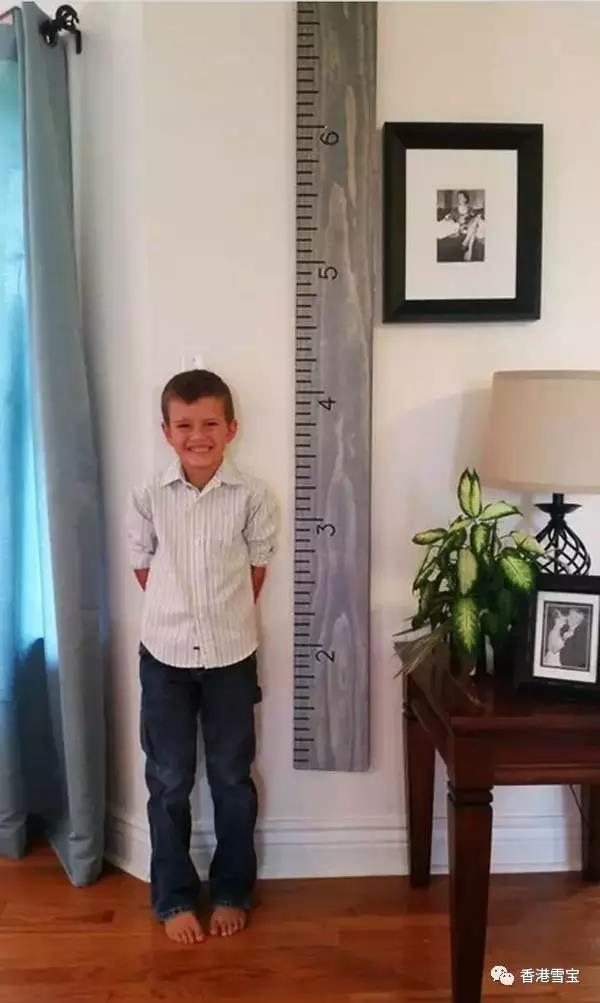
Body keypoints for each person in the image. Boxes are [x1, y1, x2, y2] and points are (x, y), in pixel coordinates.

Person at [127, 369, 277, 945]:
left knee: (232, 777)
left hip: (231, 658)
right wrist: (181, 612)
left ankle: (233, 889)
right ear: (166, 432)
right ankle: (173, 895)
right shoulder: (149, 496)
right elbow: (144, 566)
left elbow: (256, 568)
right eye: (184, 425)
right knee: (168, 780)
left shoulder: (253, 496)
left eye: (210, 423)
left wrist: (217, 617)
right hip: (163, 657)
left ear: (231, 428)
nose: (198, 435)